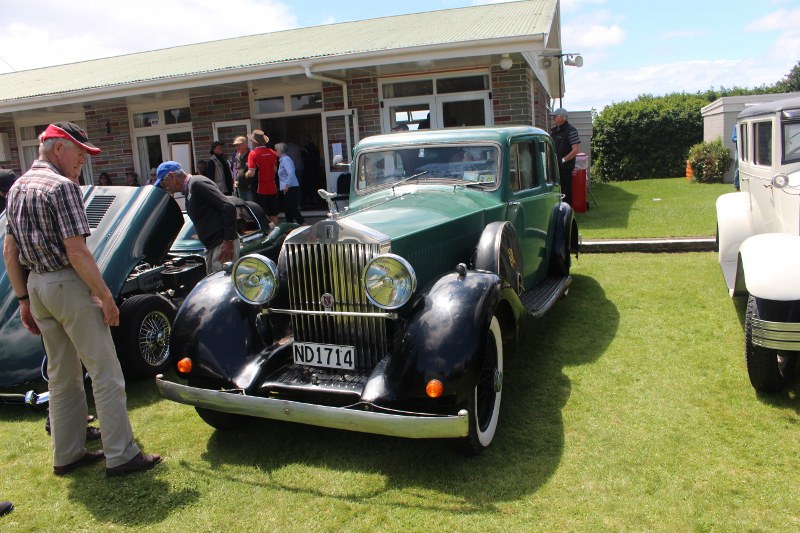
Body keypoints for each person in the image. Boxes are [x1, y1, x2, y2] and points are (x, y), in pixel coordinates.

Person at [3, 122, 161, 477]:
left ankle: (68, 453)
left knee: (61, 377)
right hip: (66, 285)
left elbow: (9, 249)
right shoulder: (62, 188)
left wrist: (23, 299)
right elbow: (77, 251)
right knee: (105, 371)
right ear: (58, 149)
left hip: (38, 287)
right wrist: (104, 295)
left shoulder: (17, 187)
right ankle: (120, 454)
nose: (82, 163)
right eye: (79, 154)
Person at [155, 161, 240, 274]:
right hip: (213, 245)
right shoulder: (189, 190)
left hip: (222, 243)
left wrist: (228, 240)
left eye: (163, 182)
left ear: (171, 176)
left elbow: (228, 206)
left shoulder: (197, 183)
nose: (164, 187)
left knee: (221, 285)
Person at [245, 130, 279, 227]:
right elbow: (275, 170)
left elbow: (251, 173)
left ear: (254, 142)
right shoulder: (272, 152)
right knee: (274, 214)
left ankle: (266, 236)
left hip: (260, 189)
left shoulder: (253, 154)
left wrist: (245, 174)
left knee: (262, 214)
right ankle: (276, 234)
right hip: (272, 187)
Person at [549, 108, 581, 206]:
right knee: (555, 192)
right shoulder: (554, 131)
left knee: (565, 193)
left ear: (562, 118)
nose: (553, 118)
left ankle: (568, 216)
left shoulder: (571, 130)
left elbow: (575, 150)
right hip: (554, 169)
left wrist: (563, 160)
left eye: (555, 116)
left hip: (565, 169)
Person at [275, 143, 305, 224]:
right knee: (287, 208)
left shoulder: (286, 159)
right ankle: (289, 224)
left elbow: (291, 172)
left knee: (291, 207)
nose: (275, 152)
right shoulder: (282, 160)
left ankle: (302, 222)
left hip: (290, 187)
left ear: (281, 150)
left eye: (276, 150)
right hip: (286, 187)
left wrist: (287, 185)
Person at [231, 136, 253, 201]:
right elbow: (235, 169)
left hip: (249, 187)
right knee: (242, 207)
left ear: (246, 145)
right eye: (236, 145)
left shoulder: (251, 154)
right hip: (240, 187)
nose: (237, 147)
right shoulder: (236, 156)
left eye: (239, 145)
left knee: (251, 206)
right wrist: (235, 180)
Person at [731, 125, 740, 192]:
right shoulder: (737, 126)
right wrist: (740, 138)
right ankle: (736, 185)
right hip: (739, 150)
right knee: (738, 167)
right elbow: (733, 138)